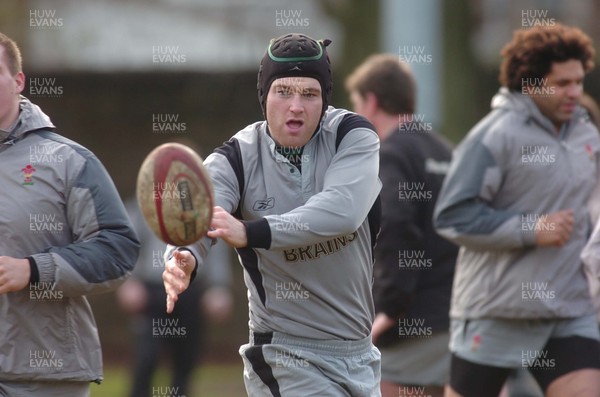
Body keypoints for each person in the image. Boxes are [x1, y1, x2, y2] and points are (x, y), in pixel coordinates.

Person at [163, 33, 382, 396]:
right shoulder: (236, 158)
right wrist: (183, 256)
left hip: (359, 352)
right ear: (264, 97)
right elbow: (200, 213)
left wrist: (251, 232)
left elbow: (343, 210)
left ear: (325, 102)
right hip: (285, 354)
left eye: (309, 94)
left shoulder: (352, 136)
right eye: (283, 92)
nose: (296, 106)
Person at [433, 23, 600, 397]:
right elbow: (452, 216)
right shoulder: (494, 136)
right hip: (497, 311)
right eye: (562, 84)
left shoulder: (586, 134)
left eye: (579, 81)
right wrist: (531, 228)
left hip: (568, 309)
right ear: (532, 83)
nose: (575, 92)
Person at [0, 32, 140, 397]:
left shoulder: (69, 162)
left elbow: (117, 251)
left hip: (40, 379)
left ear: (18, 82)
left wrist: (33, 270)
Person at [345, 54, 458, 397]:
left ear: (372, 101)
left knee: (368, 383)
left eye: (357, 104)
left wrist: (388, 310)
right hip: (460, 315)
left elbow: (396, 229)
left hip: (412, 322)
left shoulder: (391, 153)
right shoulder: (447, 151)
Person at [117, 197, 234, 397]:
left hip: (192, 292)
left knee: (186, 361)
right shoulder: (140, 208)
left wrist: (218, 287)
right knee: (147, 357)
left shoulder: (206, 211)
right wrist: (129, 281)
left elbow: (215, 245)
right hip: (152, 293)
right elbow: (129, 245)